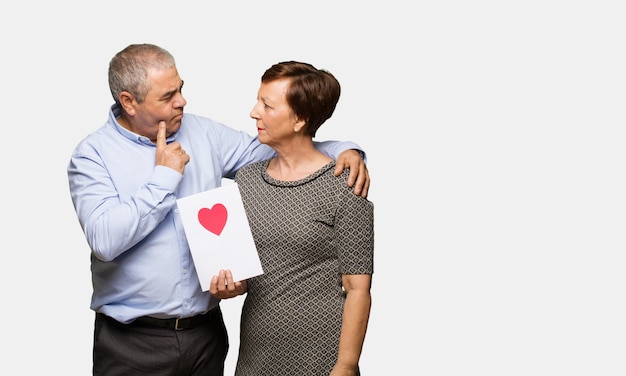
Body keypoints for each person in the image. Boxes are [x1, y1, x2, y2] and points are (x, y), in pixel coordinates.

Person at [67, 43, 371, 376]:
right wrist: (164, 177)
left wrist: (347, 150)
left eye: (180, 89)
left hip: (206, 337)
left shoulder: (206, 134)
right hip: (132, 343)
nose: (182, 100)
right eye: (168, 96)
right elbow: (105, 241)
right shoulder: (92, 155)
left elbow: (286, 147)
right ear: (129, 102)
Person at [210, 61, 374, 376]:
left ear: (300, 119)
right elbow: (246, 271)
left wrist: (346, 365)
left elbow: (358, 288)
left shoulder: (345, 185)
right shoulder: (246, 180)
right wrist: (228, 286)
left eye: (267, 105)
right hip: (255, 356)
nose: (253, 112)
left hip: (322, 359)